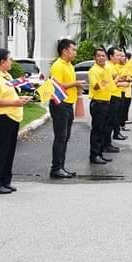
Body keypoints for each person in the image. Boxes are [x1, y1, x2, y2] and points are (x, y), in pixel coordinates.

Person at [0, 48, 31, 195]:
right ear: (2, 61)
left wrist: (21, 99)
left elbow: (12, 93)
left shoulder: (6, 76)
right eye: (10, 59)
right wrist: (15, 103)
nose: (12, 62)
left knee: (8, 151)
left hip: (11, 118)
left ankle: (5, 181)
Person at [49, 38, 83, 179]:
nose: (75, 52)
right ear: (64, 51)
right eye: (73, 49)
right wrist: (75, 83)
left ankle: (61, 166)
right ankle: (56, 168)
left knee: (65, 137)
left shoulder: (69, 65)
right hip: (60, 104)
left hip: (68, 104)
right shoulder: (58, 65)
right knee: (61, 137)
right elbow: (57, 85)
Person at [87, 47, 115, 165]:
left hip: (106, 101)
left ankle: (100, 153)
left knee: (103, 129)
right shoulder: (93, 70)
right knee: (97, 130)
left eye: (103, 56)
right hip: (98, 103)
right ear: (95, 58)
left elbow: (111, 84)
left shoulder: (105, 69)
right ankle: (94, 155)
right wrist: (104, 79)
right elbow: (95, 86)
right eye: (98, 56)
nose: (101, 58)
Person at [107, 48, 129, 141]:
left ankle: (109, 141)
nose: (120, 57)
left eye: (121, 55)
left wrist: (123, 80)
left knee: (115, 117)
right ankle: (106, 143)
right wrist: (122, 83)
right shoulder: (108, 67)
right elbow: (107, 83)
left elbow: (114, 80)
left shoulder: (113, 66)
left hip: (117, 94)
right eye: (118, 55)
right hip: (112, 95)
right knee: (110, 120)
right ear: (111, 56)